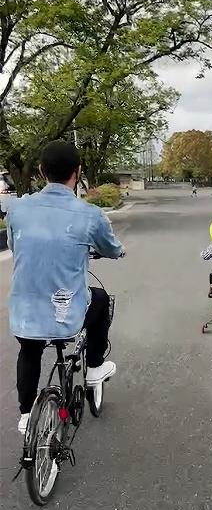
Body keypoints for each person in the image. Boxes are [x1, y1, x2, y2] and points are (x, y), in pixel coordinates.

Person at [6, 140, 125, 434]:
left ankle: (25, 414)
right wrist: (115, 252)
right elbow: (112, 249)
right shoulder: (90, 215)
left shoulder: (18, 209)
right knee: (100, 299)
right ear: (78, 172)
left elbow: (13, 245)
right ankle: (95, 366)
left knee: (29, 349)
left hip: (24, 312)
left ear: (41, 170)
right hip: (65, 314)